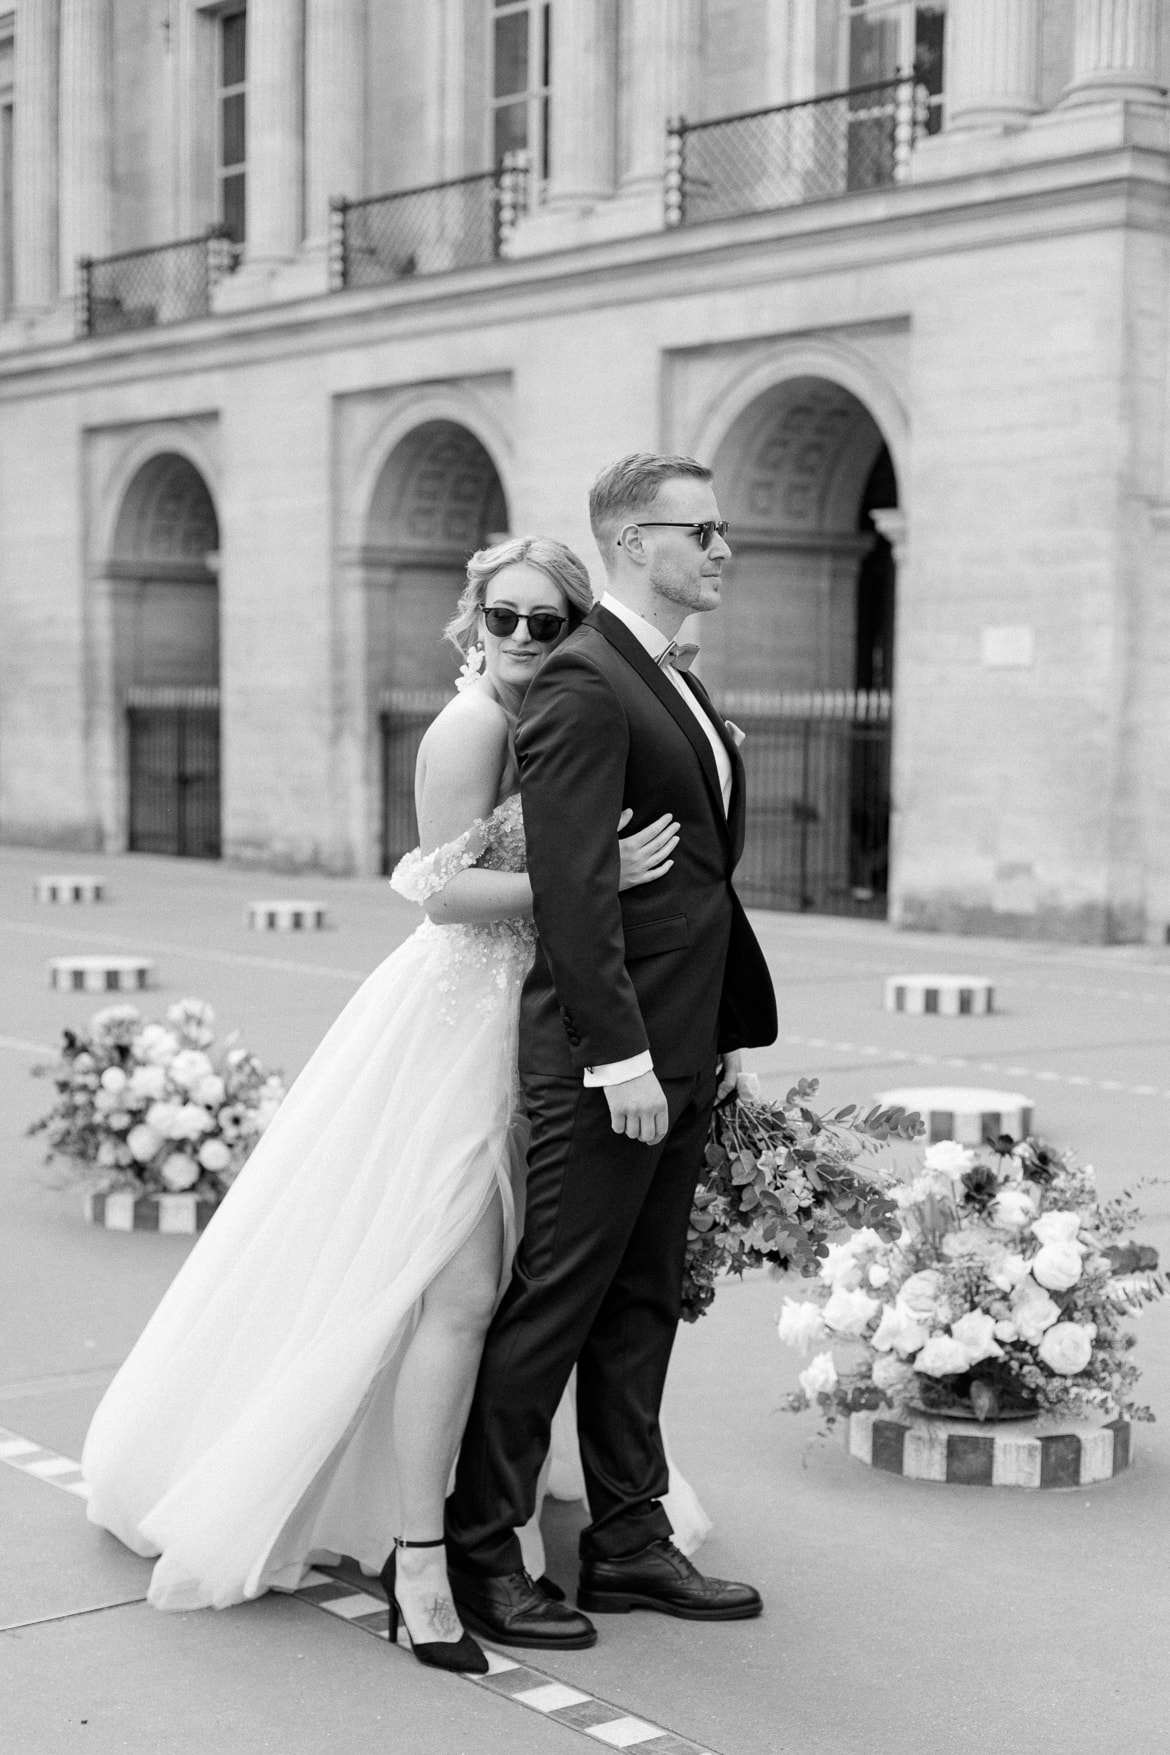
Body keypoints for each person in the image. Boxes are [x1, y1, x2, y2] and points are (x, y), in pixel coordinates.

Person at [81, 535, 679, 1674]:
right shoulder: (470, 728)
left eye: (546, 624)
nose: (518, 640)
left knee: (528, 1292)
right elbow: (440, 892)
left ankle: (484, 1509)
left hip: (551, 1021)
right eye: (501, 618)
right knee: (456, 1294)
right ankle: (422, 1560)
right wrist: (595, 876)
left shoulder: (579, 718)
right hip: (458, 1031)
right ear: (472, 619)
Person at [445, 454, 779, 1650]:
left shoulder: (666, 676)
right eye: (707, 528)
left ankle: (629, 1542)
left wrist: (721, 1036)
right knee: (558, 1303)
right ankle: (487, 1558)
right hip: (612, 1057)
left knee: (641, 1302)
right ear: (639, 542)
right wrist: (617, 1057)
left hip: (686, 1042)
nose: (727, 547)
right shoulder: (588, 682)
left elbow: (698, 879)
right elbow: (577, 896)